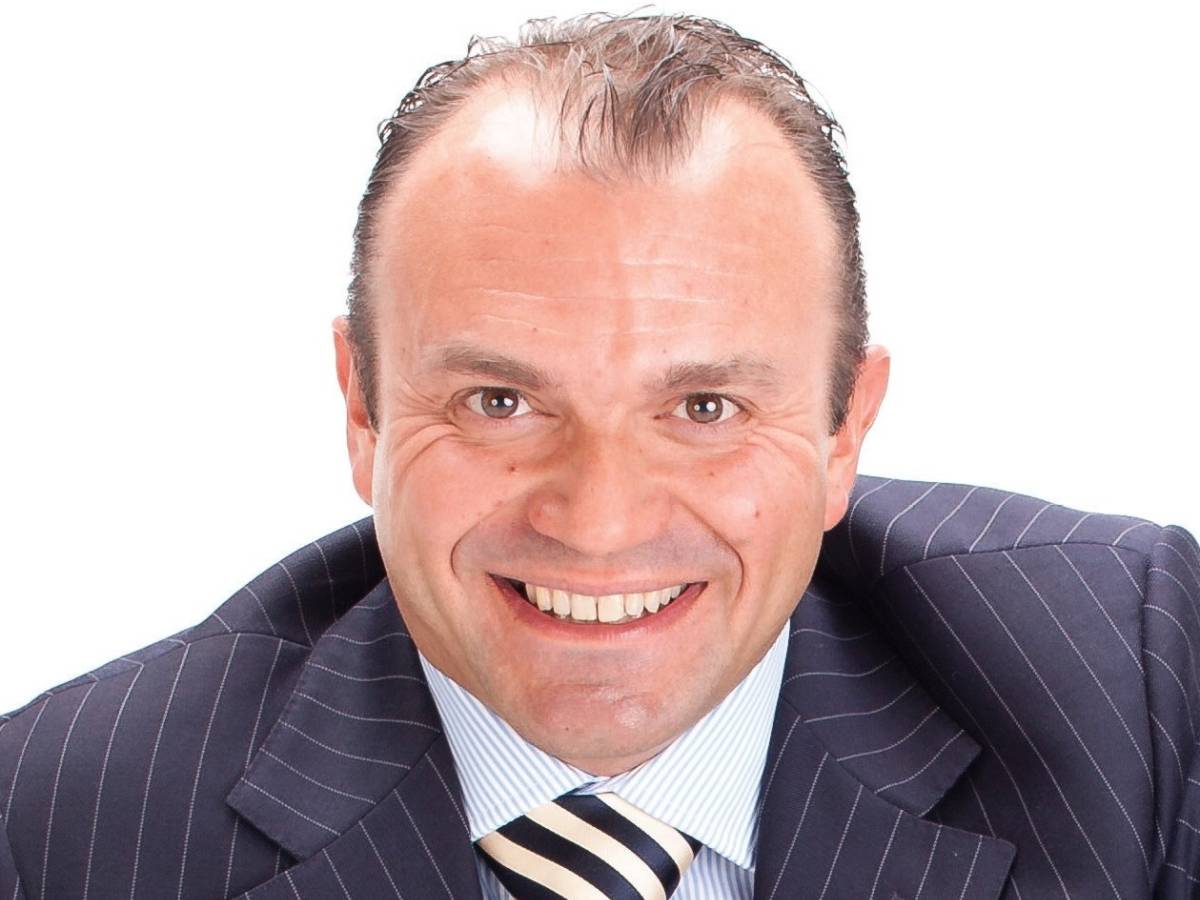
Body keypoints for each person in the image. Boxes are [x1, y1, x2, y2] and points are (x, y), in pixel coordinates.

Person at [1, 12, 1197, 899]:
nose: (601, 521)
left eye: (706, 408)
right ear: (362, 409)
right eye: (500, 402)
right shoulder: (60, 825)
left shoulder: (1129, 687)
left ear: (845, 431)